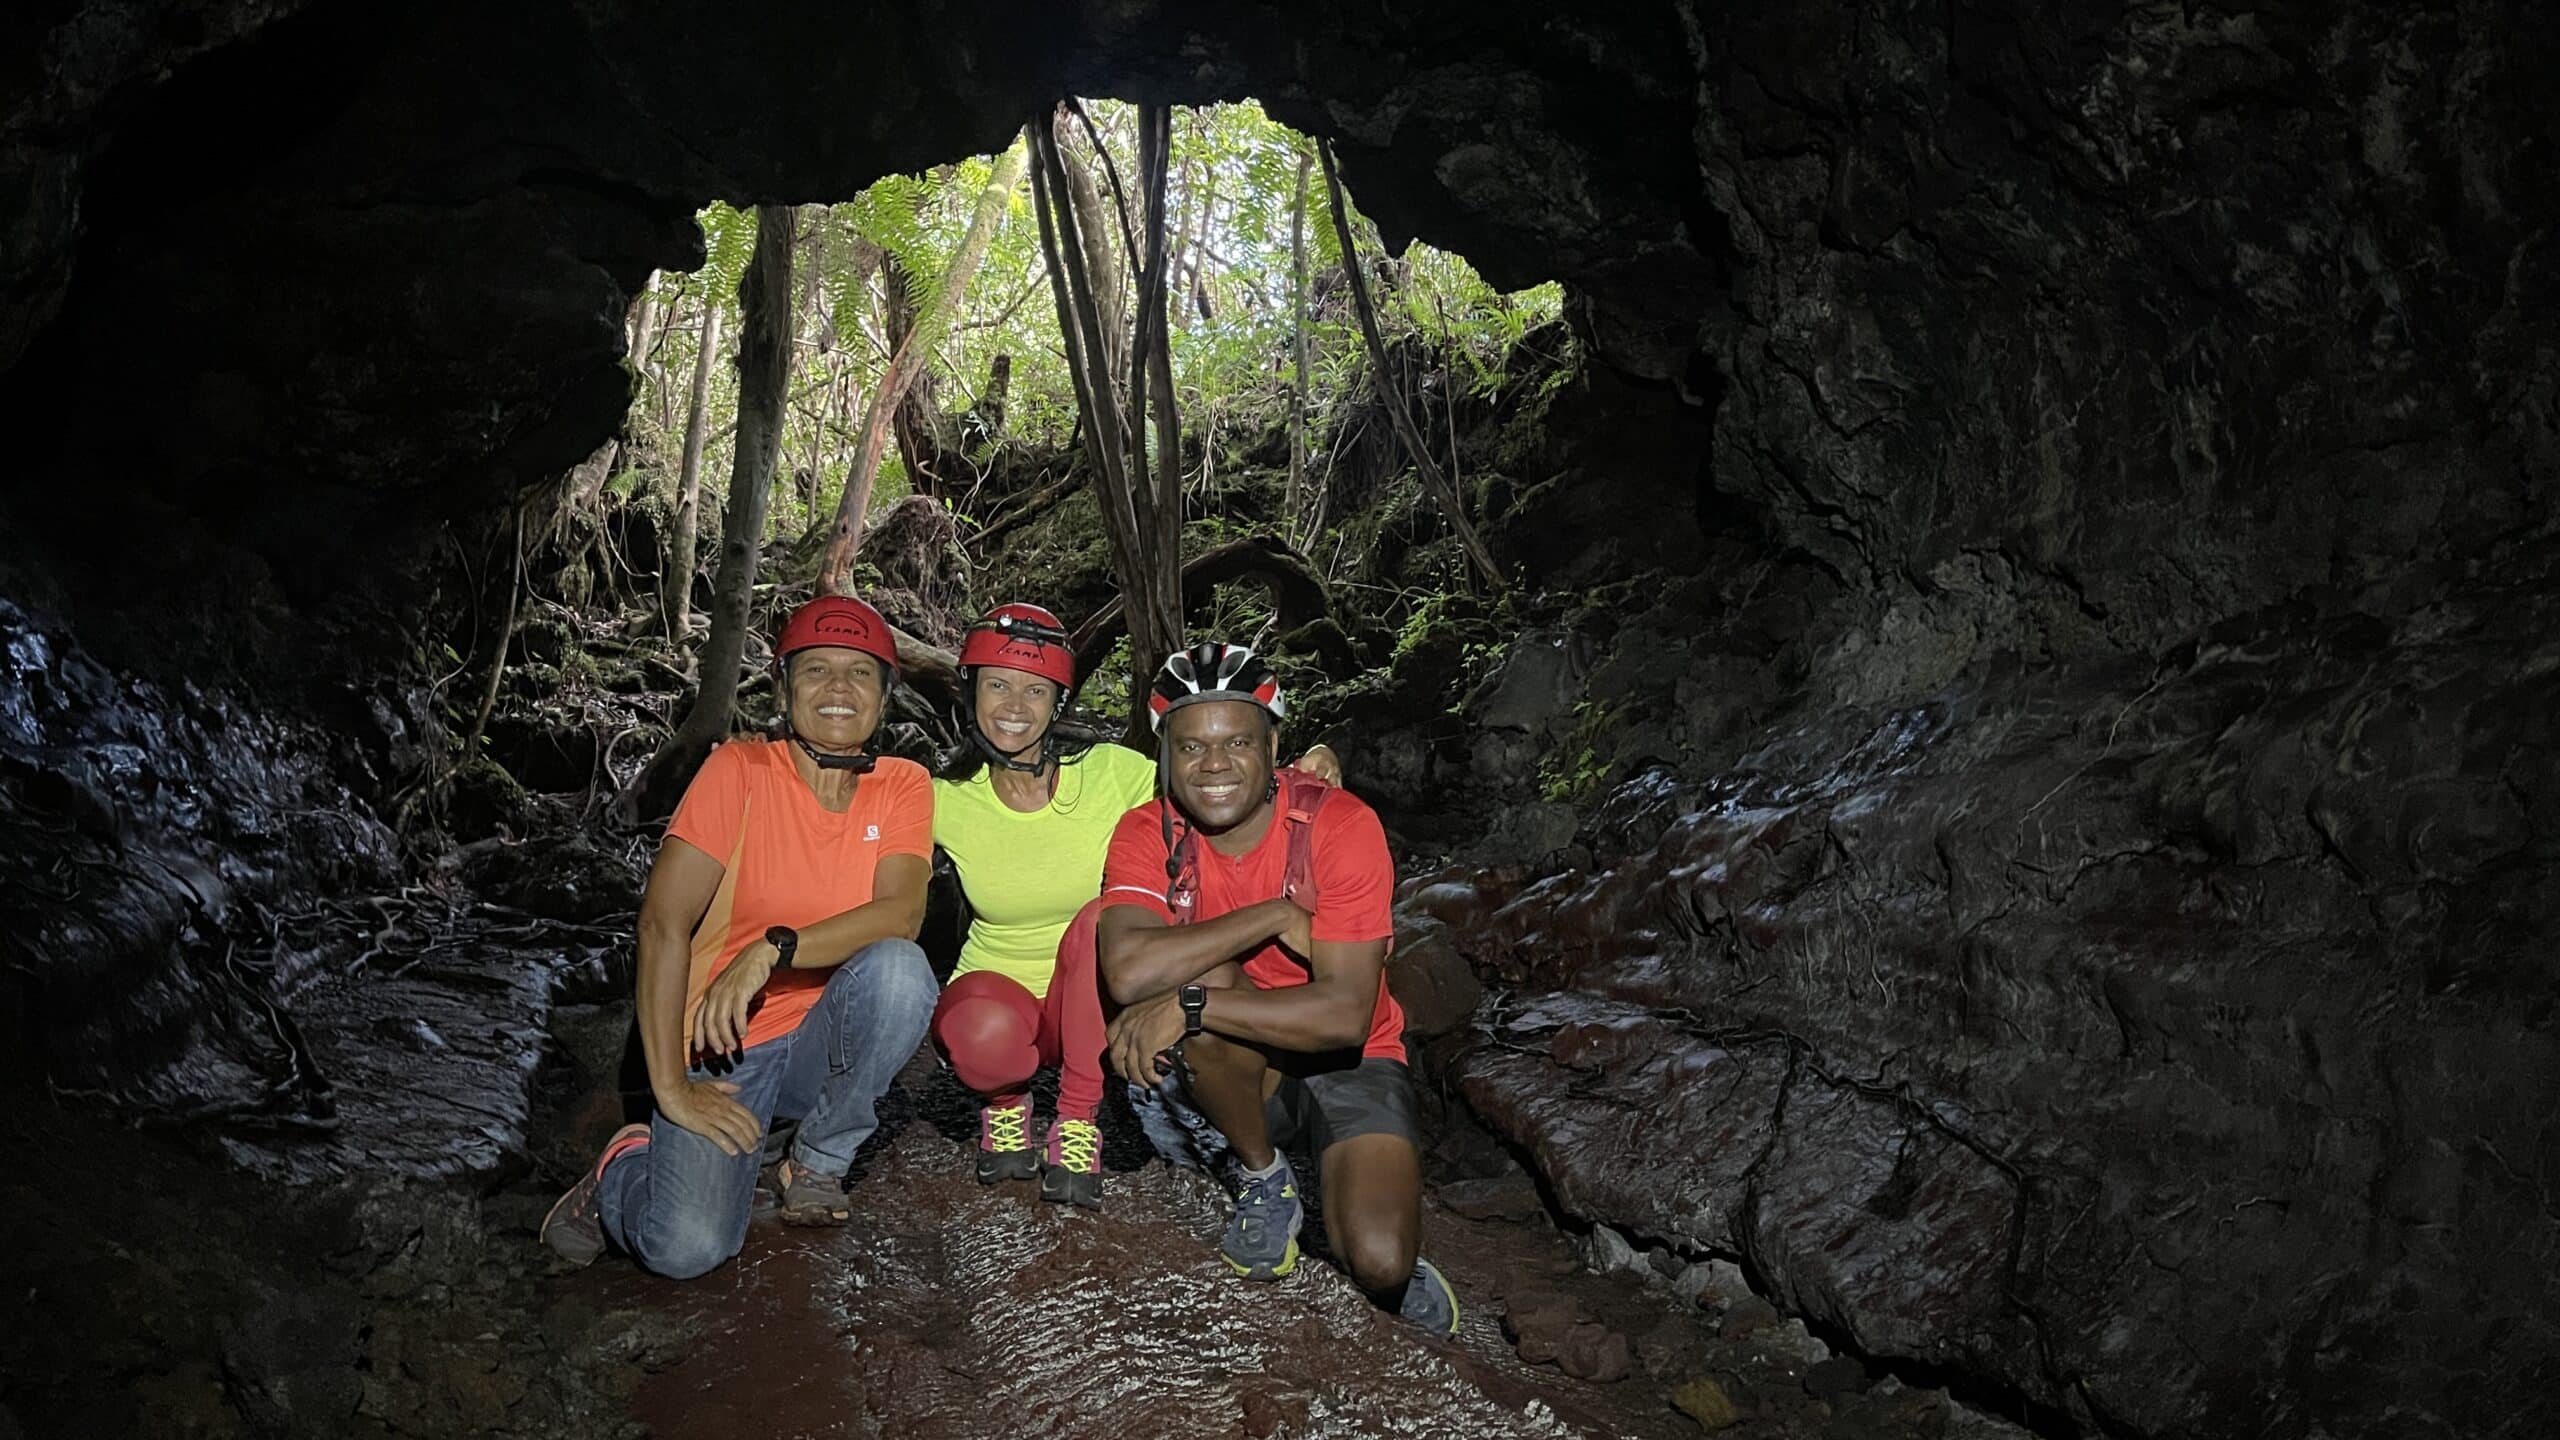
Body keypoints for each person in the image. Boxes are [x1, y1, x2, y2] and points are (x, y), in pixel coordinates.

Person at [540, 594, 938, 1278]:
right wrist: (669, 1088)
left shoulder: (903, 785)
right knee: (688, 1249)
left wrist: (771, 951)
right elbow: (662, 923)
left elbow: (899, 914)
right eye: (816, 671)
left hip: (819, 1039)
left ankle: (815, 1162)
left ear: (885, 695)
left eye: (860, 673)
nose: (838, 688)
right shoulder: (740, 772)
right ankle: (623, 1169)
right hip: (727, 1047)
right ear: (784, 687)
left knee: (901, 971)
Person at [1092, 642, 1457, 1336]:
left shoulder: (1338, 825)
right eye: (1191, 747)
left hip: (1351, 1059)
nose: (1215, 765)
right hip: (1247, 1063)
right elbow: (1129, 971)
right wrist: (1272, 916)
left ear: (1274, 746)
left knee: (1379, 1263)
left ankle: (1355, 1214)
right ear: (1165, 753)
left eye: (1237, 742)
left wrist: (1190, 1005)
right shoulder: (1148, 831)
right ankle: (1264, 1176)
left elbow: (1347, 1017)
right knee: (1186, 975)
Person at [928, 603, 1345, 1208]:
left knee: (1102, 919)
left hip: (1099, 989)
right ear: (971, 693)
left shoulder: (1114, 773)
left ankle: (1076, 1118)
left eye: (1034, 690)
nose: (1014, 706)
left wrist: (1309, 763)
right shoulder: (943, 799)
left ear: (1059, 702)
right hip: (1003, 989)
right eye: (997, 685)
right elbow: (854, 829)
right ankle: (1007, 1103)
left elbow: (1214, 776)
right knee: (980, 1038)